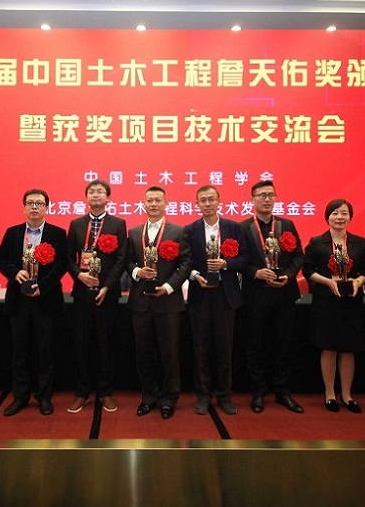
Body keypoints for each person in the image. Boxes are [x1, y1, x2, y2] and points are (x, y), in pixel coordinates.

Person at [0, 189, 68, 416]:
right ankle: (20, 396)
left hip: (46, 300)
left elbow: (62, 264)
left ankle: (44, 396)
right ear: (24, 207)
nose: (34, 207)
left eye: (39, 203)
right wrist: (14, 273)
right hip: (19, 300)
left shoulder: (57, 233)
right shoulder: (13, 232)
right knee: (20, 351)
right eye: (30, 203)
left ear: (47, 207)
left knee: (45, 351)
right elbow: (1, 260)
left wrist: (42, 286)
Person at [240, 180, 305, 414]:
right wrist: (255, 272)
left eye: (270, 195)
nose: (266, 199)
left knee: (283, 344)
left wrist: (289, 274)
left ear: (275, 197)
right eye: (261, 195)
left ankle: (282, 391)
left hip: (284, 293)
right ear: (252, 199)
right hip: (256, 295)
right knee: (255, 345)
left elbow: (299, 255)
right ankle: (258, 392)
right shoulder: (242, 227)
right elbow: (239, 260)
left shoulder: (287, 224)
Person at [126, 186, 191, 419]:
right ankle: (148, 397)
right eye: (149, 200)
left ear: (166, 204)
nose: (153, 204)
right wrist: (137, 272)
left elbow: (186, 263)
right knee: (143, 353)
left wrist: (169, 286)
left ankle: (169, 399)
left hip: (168, 302)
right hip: (141, 302)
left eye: (158, 200)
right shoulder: (134, 232)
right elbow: (128, 262)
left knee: (169, 353)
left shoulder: (178, 231)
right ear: (143, 204)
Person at [185, 185, 248, 415]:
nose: (207, 203)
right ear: (197, 204)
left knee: (224, 348)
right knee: (201, 348)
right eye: (203, 200)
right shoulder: (190, 230)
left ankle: (224, 395)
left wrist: (225, 264)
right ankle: (203, 396)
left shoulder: (233, 227)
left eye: (211, 199)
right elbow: (186, 261)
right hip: (200, 294)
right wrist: (195, 275)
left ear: (219, 200)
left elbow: (245, 258)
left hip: (225, 294)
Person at [303, 198, 365, 414]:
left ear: (350, 217)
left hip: (352, 301)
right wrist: (327, 281)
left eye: (344, 213)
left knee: (349, 349)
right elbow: (307, 270)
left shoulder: (360, 243)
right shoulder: (317, 242)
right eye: (335, 213)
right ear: (327, 217)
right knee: (329, 348)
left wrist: (358, 281)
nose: (339, 217)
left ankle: (347, 395)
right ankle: (330, 393)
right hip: (326, 301)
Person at [66, 179, 127, 414]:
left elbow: (121, 259)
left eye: (100, 191)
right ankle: (82, 392)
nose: (96, 195)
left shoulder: (118, 224)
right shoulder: (76, 224)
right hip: (82, 293)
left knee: (105, 343)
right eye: (91, 191)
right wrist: (79, 276)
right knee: (81, 344)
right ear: (86, 197)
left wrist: (107, 286)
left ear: (108, 197)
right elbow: (68, 257)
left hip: (106, 295)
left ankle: (105, 392)